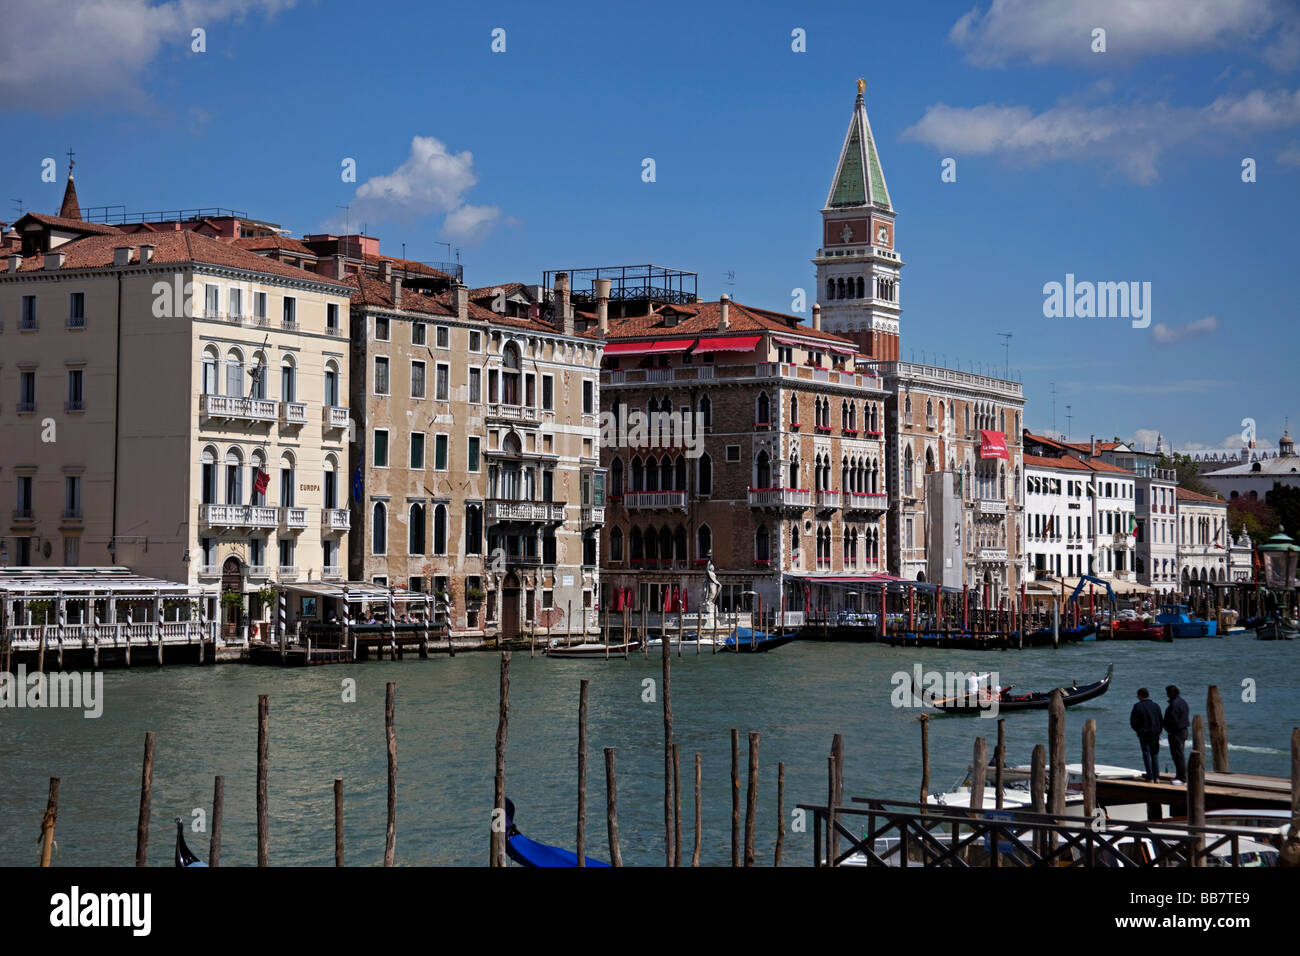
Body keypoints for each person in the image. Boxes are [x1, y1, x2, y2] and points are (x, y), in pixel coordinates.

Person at [1130, 688, 1164, 782]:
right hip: (1155, 734)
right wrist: (1159, 731)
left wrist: (1139, 731)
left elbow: (1133, 722)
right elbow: (1161, 720)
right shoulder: (1156, 706)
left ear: (1140, 696)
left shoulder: (1137, 706)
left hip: (1144, 734)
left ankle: (1150, 777)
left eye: (1138, 695)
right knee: (1155, 755)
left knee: (1146, 754)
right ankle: (1156, 777)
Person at [1163, 685, 1190, 782]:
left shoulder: (1174, 704)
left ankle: (1182, 777)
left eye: (1167, 693)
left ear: (1172, 693)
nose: (1166, 695)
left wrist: (1169, 729)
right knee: (1179, 754)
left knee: (1178, 755)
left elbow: (1173, 719)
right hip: (1182, 731)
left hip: (1176, 733)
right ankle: (1180, 775)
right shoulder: (1183, 702)